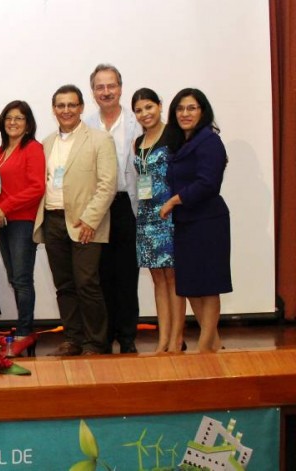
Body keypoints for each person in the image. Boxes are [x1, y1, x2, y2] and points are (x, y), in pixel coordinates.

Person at [33, 84, 117, 356]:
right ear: (54, 109)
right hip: (53, 220)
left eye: (71, 105)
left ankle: (96, 342)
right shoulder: (46, 143)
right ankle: (73, 338)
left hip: (85, 224)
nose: (66, 110)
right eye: (60, 105)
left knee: (87, 283)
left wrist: (91, 220)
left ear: (81, 107)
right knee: (64, 286)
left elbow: (107, 184)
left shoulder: (99, 139)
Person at [161, 88, 231, 353]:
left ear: (203, 111)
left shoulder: (209, 141)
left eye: (191, 108)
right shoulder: (182, 142)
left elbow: (208, 183)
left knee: (208, 285)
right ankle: (212, 344)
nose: (185, 113)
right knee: (190, 285)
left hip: (208, 220)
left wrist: (174, 200)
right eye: (180, 108)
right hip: (186, 221)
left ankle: (204, 349)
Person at [84, 64, 142, 354]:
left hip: (125, 206)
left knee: (127, 274)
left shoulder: (138, 123)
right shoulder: (86, 127)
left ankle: (128, 336)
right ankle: (103, 337)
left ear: (120, 88)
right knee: (99, 274)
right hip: (96, 208)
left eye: (111, 86)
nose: (106, 92)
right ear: (92, 92)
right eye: (100, 87)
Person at [0, 101, 45, 355]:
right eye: (9, 117)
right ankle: (23, 329)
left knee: (22, 278)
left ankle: (24, 330)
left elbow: (36, 186)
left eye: (19, 118)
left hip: (21, 221)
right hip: (1, 221)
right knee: (13, 277)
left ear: (28, 124)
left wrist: (4, 207)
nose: (13, 122)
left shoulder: (33, 148)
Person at [131, 88, 186, 353]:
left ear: (160, 106)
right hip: (146, 217)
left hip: (170, 213)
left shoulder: (174, 135)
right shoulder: (137, 142)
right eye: (139, 110)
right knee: (158, 280)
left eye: (149, 107)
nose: (145, 114)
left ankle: (176, 339)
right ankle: (163, 339)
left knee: (174, 278)